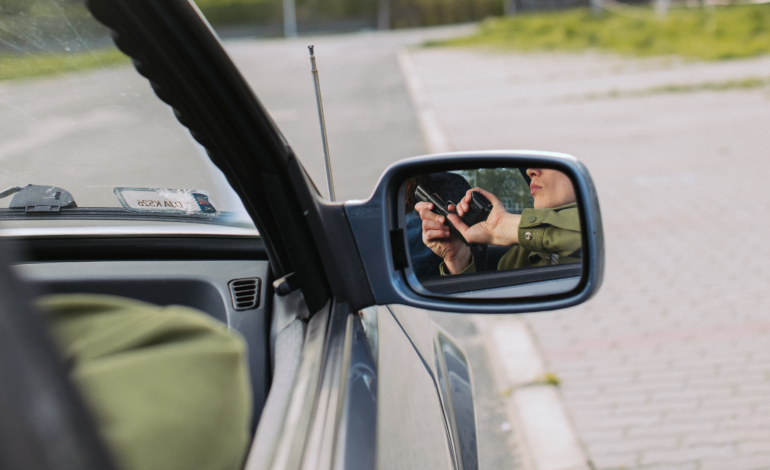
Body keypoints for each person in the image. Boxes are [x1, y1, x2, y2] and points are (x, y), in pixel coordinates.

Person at [416, 168, 582, 275]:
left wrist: (503, 225)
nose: (530, 171)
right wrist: (457, 258)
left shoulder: (594, 232)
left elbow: (588, 232)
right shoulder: (512, 261)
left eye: (548, 162)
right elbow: (483, 311)